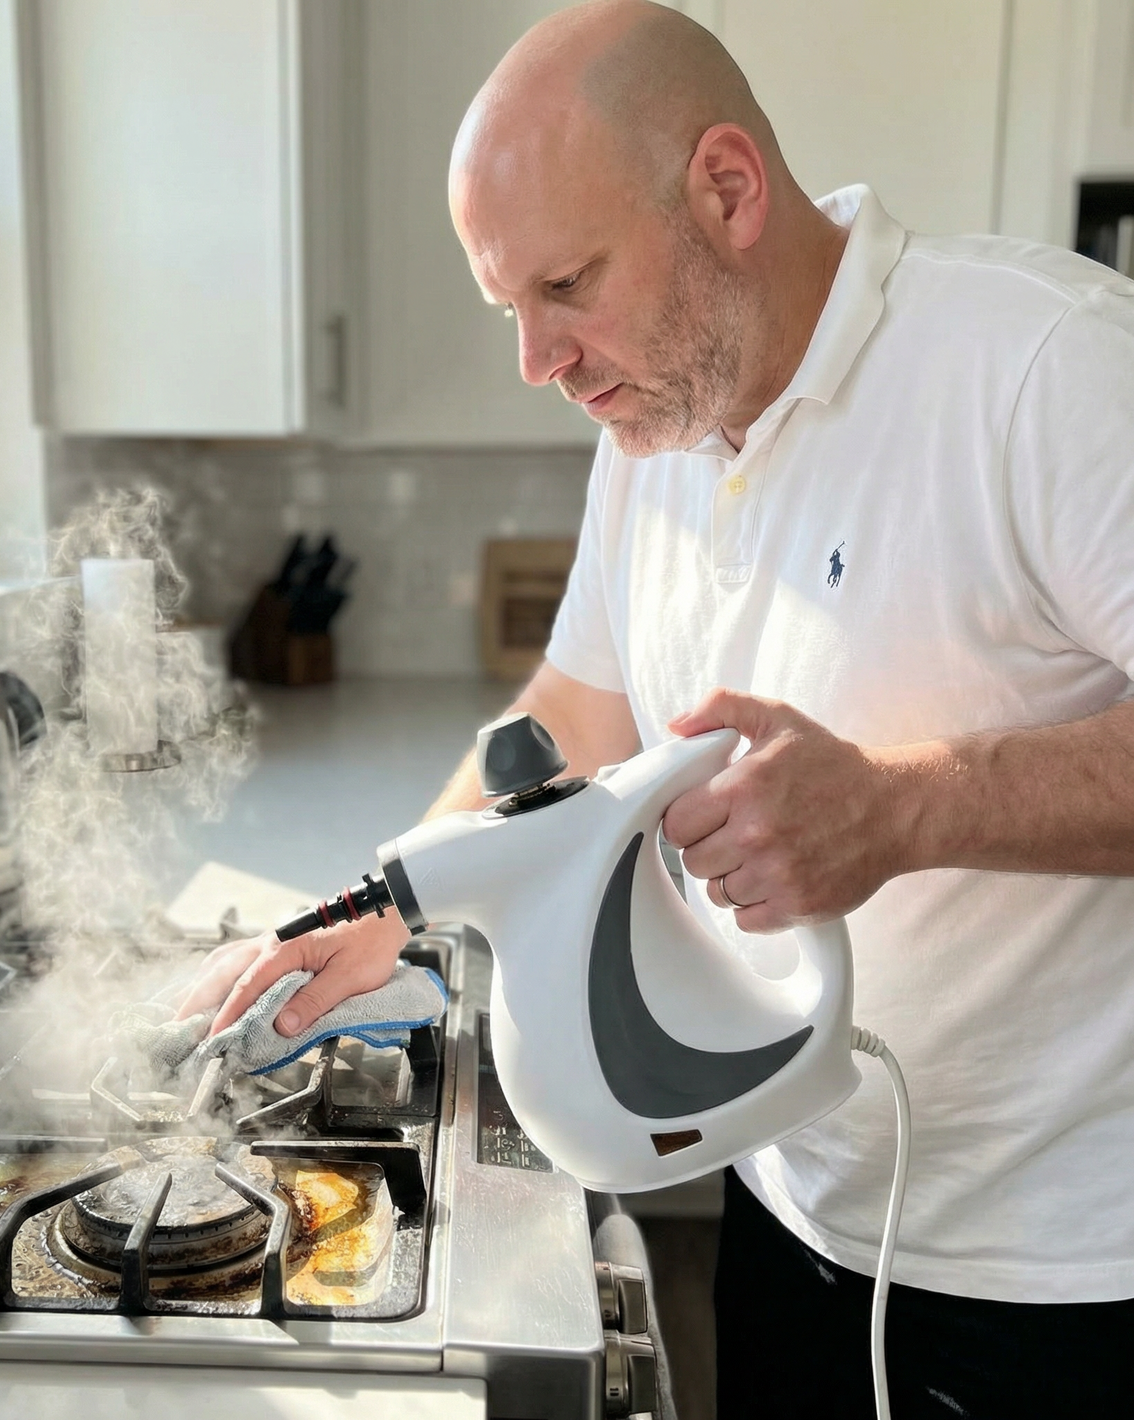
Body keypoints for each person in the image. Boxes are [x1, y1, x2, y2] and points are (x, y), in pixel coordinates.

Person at [176, 3, 1134, 1414]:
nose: (537, 359)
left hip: (1060, 1277)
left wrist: (904, 806)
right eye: (510, 307)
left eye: (567, 284)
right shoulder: (653, 432)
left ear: (728, 191)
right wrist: (388, 899)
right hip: (790, 1190)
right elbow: (578, 709)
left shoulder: (1045, 367)